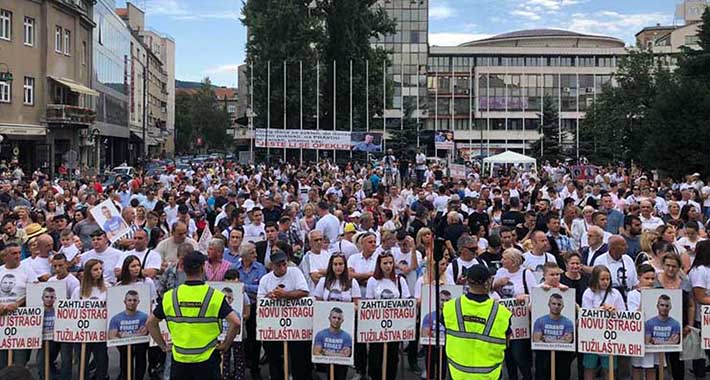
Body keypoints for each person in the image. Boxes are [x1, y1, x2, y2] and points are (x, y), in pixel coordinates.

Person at [146, 251, 241, 380]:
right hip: (207, 359)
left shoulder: (171, 296)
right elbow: (235, 322)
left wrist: (163, 346)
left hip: (180, 358)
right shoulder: (214, 296)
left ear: (183, 269)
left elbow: (150, 323)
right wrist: (225, 345)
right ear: (203, 268)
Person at [443, 264, 512, 380]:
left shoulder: (450, 308)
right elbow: (507, 342)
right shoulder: (502, 313)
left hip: (458, 373)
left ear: (467, 281)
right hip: (490, 374)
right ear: (488, 282)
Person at [256, 251, 310, 380]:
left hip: (295, 325)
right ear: (272, 266)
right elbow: (260, 301)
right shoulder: (266, 279)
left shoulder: (295, 272)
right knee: (275, 360)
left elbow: (304, 292)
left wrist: (285, 294)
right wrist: (269, 296)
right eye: (278, 265)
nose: (282, 268)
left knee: (299, 359)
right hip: (275, 327)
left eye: (284, 264)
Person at [365, 250, 410, 380]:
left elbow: (406, 301)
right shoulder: (372, 281)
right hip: (377, 326)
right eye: (385, 263)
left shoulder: (399, 280)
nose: (388, 266)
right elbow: (368, 302)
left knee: (392, 358)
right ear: (379, 264)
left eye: (390, 263)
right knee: (375, 358)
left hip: (394, 327)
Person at [582, 265, 626, 380]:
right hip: (592, 337)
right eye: (602, 279)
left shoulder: (615, 293)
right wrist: (599, 311)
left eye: (608, 279)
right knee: (589, 367)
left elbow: (624, 314)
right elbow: (586, 314)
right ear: (595, 279)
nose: (605, 282)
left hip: (610, 336)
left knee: (609, 368)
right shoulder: (588, 293)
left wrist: (614, 311)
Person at [0, 243, 38, 368]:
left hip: (20, 318)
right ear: (5, 256)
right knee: (2, 359)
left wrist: (18, 303)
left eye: (19, 253)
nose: (18, 256)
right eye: (14, 253)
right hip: (2, 317)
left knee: (19, 359)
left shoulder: (27, 270)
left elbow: (35, 291)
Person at [232, 243, 266, 380]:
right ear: (245, 256)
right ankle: (241, 365)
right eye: (252, 253)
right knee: (239, 338)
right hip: (238, 307)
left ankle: (255, 367)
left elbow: (261, 288)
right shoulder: (235, 267)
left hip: (254, 306)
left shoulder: (260, 268)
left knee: (254, 338)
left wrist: (243, 286)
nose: (256, 255)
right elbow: (231, 285)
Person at [628, 264, 662, 380]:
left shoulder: (658, 294)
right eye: (646, 278)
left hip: (653, 334)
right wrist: (645, 296)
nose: (650, 281)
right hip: (638, 335)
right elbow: (634, 315)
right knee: (637, 366)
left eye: (652, 279)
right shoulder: (632, 295)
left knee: (651, 366)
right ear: (639, 277)